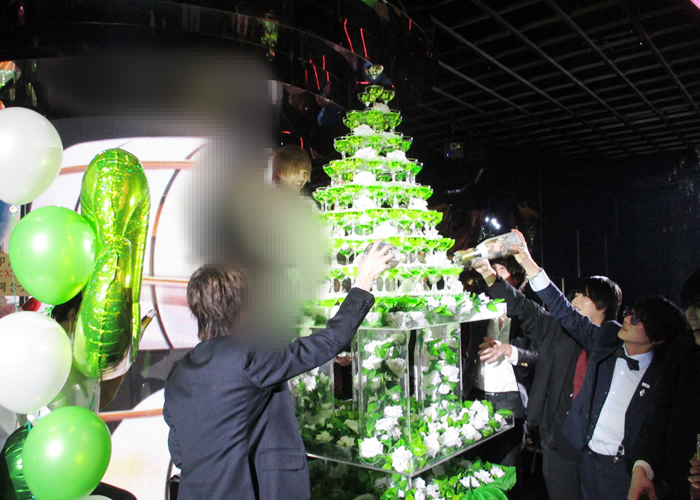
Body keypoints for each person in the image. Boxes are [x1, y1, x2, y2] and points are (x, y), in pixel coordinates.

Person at [162, 241, 393, 500]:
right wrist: (363, 280)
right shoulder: (247, 357)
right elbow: (331, 339)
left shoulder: (177, 374)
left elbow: (179, 455)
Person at [505, 228, 686, 500]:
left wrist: (643, 469)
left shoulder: (664, 375)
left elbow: (658, 431)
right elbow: (563, 311)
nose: (628, 320)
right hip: (584, 459)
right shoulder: (606, 343)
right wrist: (528, 264)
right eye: (630, 313)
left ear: (658, 338)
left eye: (638, 320)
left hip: (623, 470)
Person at [471, 257, 621, 500]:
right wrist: (488, 274)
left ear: (604, 307)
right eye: (577, 294)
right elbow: (523, 307)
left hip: (597, 451)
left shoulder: (613, 342)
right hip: (557, 442)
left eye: (586, 296)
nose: (577, 299)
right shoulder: (556, 330)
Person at [628, 269, 700, 500]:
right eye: (688, 306)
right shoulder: (684, 352)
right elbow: (659, 417)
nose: (691, 315)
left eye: (698, 306)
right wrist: (641, 469)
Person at [462, 256, 537, 468]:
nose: (492, 273)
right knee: (475, 469)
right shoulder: (480, 308)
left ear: (516, 277)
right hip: (477, 397)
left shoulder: (529, 314)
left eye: (500, 269)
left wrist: (509, 351)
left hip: (510, 401)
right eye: (491, 268)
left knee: (506, 471)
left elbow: (539, 357)